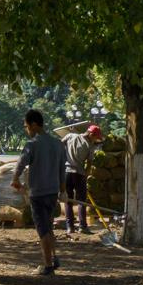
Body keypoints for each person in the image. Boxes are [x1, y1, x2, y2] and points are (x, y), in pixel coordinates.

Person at [11, 109, 71, 275]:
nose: (26, 130)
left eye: (26, 126)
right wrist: (63, 191)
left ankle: (47, 266)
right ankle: (53, 257)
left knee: (43, 230)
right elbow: (61, 171)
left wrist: (15, 179)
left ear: (34, 124)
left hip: (38, 194)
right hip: (52, 193)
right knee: (49, 227)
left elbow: (21, 163)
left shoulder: (32, 144)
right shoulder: (58, 144)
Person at [61, 123, 100, 233]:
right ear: (91, 134)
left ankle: (70, 227)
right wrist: (86, 175)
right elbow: (89, 163)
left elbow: (59, 145)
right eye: (96, 137)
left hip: (66, 172)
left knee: (68, 200)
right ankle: (82, 226)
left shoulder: (70, 136)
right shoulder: (89, 146)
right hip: (79, 174)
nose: (96, 140)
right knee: (81, 201)